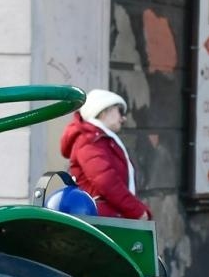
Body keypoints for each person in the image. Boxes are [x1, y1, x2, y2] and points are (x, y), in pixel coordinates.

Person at [60, 88, 151, 219]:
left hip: (103, 217)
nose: (123, 118)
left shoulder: (98, 139)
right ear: (103, 111)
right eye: (119, 111)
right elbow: (107, 182)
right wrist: (137, 211)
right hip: (100, 220)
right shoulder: (89, 140)